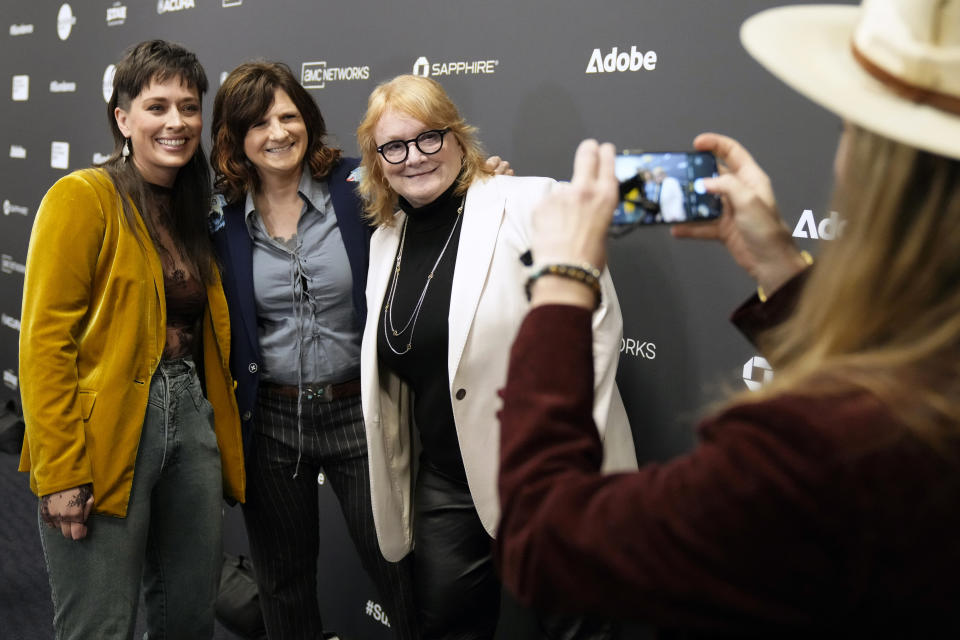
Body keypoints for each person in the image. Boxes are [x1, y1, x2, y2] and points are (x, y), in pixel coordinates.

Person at [495, 0, 960, 635]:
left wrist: (564, 279)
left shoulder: (807, 451)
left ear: (883, 170)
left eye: (851, 129)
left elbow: (544, 541)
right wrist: (783, 274)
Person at [355, 74, 638, 639]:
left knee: (579, 628)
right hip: (447, 482)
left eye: (429, 138)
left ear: (458, 138)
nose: (413, 158)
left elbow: (599, 322)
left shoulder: (529, 201)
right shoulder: (385, 239)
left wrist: (570, 447)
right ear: (378, 161)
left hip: (549, 475)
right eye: (394, 147)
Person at [18, 40, 244, 639]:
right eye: (157, 106)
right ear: (123, 118)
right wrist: (61, 471)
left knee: (189, 618)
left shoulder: (199, 206)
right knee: (100, 625)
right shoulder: (83, 197)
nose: (176, 122)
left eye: (190, 107)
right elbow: (44, 344)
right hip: (104, 431)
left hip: (192, 418)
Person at [209, 61, 418, 640]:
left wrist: (487, 179)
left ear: (308, 119)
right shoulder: (220, 220)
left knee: (400, 570)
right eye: (258, 123)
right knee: (283, 583)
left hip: (360, 411)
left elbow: (438, 197)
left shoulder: (361, 186)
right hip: (271, 421)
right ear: (235, 138)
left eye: (288, 116)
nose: (277, 133)